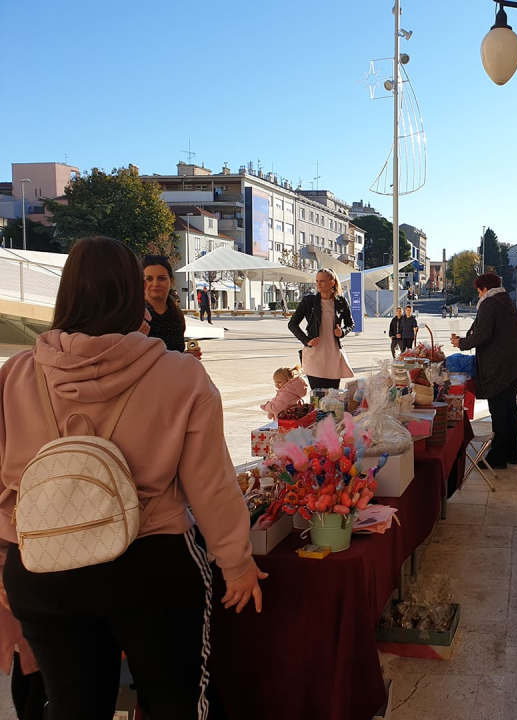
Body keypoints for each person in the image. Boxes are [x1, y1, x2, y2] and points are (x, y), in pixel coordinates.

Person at [0, 236, 266, 718]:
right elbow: (211, 484)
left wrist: (5, 562)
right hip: (150, 563)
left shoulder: (15, 374)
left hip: (41, 565)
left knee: (72, 708)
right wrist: (237, 562)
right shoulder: (178, 374)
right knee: (178, 702)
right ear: (131, 292)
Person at [452, 272, 517, 469]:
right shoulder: (506, 302)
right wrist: (468, 337)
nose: (479, 295)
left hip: (500, 369)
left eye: (479, 291)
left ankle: (497, 458)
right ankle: (512, 454)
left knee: (499, 413)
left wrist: (461, 343)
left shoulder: (489, 304)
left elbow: (482, 335)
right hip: (516, 365)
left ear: (485, 289)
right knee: (510, 410)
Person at [287, 269, 355, 392]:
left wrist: (342, 332)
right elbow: (292, 324)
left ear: (332, 283)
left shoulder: (341, 302)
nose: (318, 284)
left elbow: (350, 324)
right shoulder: (309, 302)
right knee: (317, 397)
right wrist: (306, 340)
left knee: (332, 397)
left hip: (333, 356)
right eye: (317, 281)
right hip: (314, 357)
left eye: (322, 281)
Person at [143, 255, 200, 357]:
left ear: (172, 281)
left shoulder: (177, 315)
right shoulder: (136, 315)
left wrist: (187, 356)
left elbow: (175, 353)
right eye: (149, 279)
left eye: (161, 278)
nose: (155, 284)